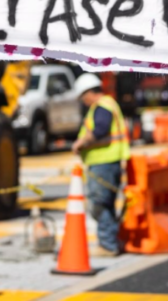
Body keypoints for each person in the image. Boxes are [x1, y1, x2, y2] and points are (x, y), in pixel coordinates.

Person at [70, 73, 130, 257]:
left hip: (103, 163)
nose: (83, 100)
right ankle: (112, 241)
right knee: (108, 204)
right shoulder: (109, 103)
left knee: (99, 205)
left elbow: (101, 130)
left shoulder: (101, 106)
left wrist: (80, 143)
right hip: (108, 162)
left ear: (88, 93)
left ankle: (107, 244)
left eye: (82, 96)